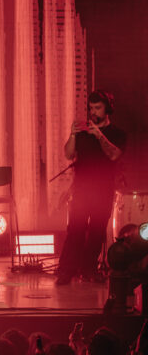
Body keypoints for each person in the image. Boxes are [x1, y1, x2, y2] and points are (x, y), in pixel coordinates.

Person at [56, 89, 126, 285]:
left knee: (97, 231)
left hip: (103, 189)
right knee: (75, 230)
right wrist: (72, 134)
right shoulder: (83, 133)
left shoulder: (117, 134)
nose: (93, 112)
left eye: (97, 108)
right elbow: (68, 154)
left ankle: (88, 270)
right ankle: (67, 270)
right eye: (91, 108)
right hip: (82, 189)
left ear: (108, 109)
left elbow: (114, 155)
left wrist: (100, 135)